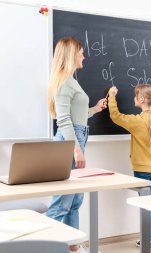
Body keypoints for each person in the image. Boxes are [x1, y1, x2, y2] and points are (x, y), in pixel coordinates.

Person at [46, 37, 107, 253]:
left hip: (76, 137)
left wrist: (94, 109)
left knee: (75, 200)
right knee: (62, 202)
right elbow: (63, 121)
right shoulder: (64, 82)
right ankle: (46, 246)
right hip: (69, 141)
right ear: (72, 55)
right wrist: (76, 148)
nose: (84, 56)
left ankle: (72, 246)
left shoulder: (71, 80)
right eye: (81, 52)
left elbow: (76, 115)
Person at [107, 84, 151, 250]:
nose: (134, 98)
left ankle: (147, 239)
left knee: (145, 206)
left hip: (142, 170)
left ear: (141, 99)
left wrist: (111, 97)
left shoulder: (139, 121)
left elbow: (116, 117)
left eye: (135, 96)